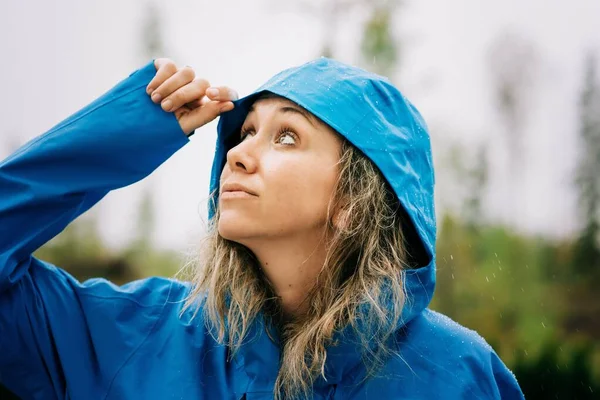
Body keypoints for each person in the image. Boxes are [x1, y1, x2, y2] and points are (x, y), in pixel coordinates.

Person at [0, 57, 524, 400]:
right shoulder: (137, 335)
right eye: (246, 130)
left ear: (353, 202)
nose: (238, 154)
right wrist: (122, 134)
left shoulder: (455, 374)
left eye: (287, 137)